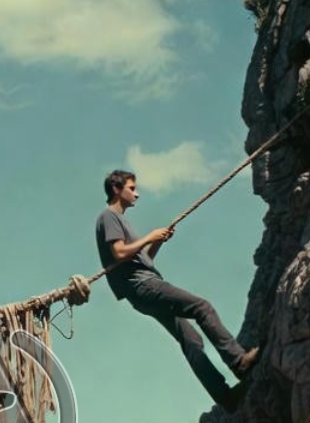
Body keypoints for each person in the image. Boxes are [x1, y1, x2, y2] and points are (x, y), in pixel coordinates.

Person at [95, 169, 259, 407]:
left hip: (141, 289)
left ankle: (226, 397)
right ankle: (238, 361)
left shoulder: (121, 220)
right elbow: (119, 252)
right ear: (116, 189)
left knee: (190, 339)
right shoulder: (109, 216)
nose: (137, 194)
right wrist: (150, 236)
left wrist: (157, 243)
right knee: (202, 307)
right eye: (132, 188)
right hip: (145, 286)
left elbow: (143, 261)